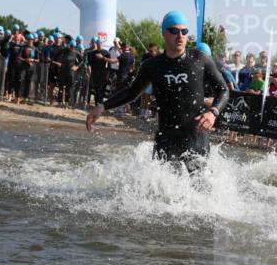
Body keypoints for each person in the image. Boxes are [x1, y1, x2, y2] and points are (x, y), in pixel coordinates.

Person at [86, 11, 228, 172]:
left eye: (184, 31)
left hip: (196, 137)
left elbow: (223, 90)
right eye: (174, 31)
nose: (180, 36)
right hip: (166, 138)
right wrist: (102, 106)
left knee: (198, 184)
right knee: (159, 185)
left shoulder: (200, 59)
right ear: (164, 33)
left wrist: (213, 113)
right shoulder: (152, 66)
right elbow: (132, 92)